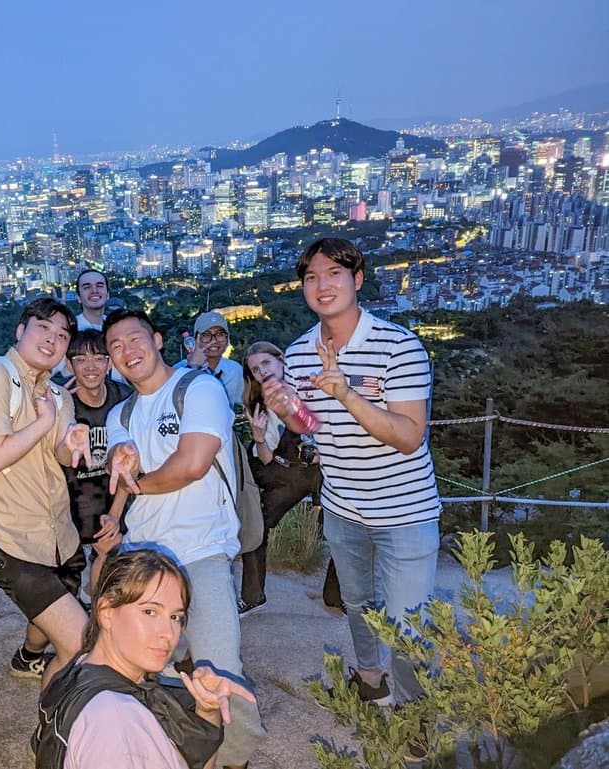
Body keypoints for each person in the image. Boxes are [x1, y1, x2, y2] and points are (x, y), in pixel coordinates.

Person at [264, 237, 441, 712]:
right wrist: (288, 411)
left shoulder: (398, 346)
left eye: (334, 274)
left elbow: (408, 437)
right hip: (343, 507)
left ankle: (413, 713)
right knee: (358, 603)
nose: (322, 286)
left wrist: (348, 393)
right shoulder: (299, 353)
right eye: (311, 278)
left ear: (357, 280)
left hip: (405, 511)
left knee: (410, 621)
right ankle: (369, 678)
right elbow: (314, 427)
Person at [104, 309, 267, 769]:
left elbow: (194, 461)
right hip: (143, 556)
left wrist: (138, 482)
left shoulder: (200, 389)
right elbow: (120, 455)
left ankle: (233, 758)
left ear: (157, 340)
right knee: (132, 666)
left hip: (201, 552)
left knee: (219, 668)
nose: (127, 352)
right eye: (116, 347)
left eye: (134, 340)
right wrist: (121, 466)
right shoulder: (122, 411)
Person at [0, 297, 93, 687]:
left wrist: (73, 440)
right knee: (80, 642)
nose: (52, 340)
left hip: (56, 534)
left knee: (51, 611)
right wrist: (44, 422)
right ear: (20, 331)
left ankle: (28, 656)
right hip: (8, 535)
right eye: (43, 328)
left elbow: (62, 458)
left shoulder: (58, 395)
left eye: (62, 335)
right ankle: (55, 733)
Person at [34, 548, 256, 769]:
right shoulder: (117, 723)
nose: (168, 633)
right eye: (150, 612)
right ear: (106, 612)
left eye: (175, 617)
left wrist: (208, 710)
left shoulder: (82, 667)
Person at [236, 341, 321, 616]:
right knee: (256, 528)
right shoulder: (262, 405)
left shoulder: (312, 385)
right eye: (255, 369)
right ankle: (252, 595)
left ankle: (338, 594)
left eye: (266, 364)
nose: (262, 371)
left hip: (324, 469)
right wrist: (259, 436)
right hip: (285, 475)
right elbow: (266, 458)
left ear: (281, 360)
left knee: (342, 529)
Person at [61, 329, 131, 602]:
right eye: (80, 359)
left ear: (109, 362)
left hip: (111, 496)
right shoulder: (62, 401)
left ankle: (94, 613)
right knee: (66, 583)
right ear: (69, 365)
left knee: (108, 560)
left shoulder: (122, 397)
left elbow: (129, 464)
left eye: (99, 358)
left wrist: (115, 514)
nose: (90, 366)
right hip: (70, 502)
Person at [174, 312, 244, 406]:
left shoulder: (235, 371)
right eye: (206, 335)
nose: (214, 341)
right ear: (195, 340)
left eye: (220, 335)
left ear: (227, 340)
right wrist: (193, 368)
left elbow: (246, 403)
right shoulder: (178, 370)